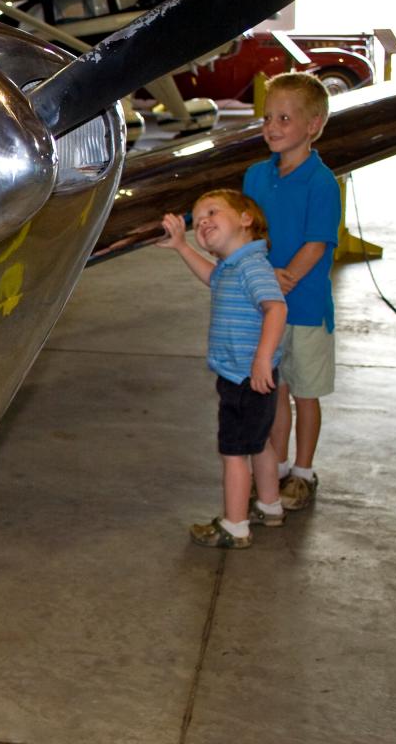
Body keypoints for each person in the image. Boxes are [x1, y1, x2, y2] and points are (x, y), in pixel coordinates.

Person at [158, 189, 288, 549]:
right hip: (246, 375)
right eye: (198, 221)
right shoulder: (235, 266)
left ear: (246, 219)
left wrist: (262, 358)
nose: (203, 222)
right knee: (259, 443)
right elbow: (212, 277)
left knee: (233, 453)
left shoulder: (251, 267)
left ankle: (235, 525)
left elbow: (276, 308)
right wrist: (183, 247)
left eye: (212, 212)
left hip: (245, 375)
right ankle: (270, 505)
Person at [242, 71, 341, 511]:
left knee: (306, 392)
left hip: (303, 307)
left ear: (313, 125)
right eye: (267, 117)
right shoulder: (255, 177)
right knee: (275, 389)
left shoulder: (322, 183)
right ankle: (277, 466)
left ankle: (303, 471)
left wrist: (286, 278)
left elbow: (317, 241)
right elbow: (247, 231)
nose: (272, 127)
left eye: (284, 118)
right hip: (267, 308)